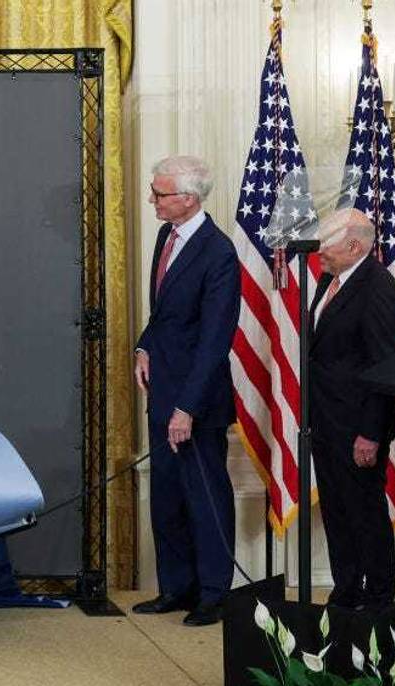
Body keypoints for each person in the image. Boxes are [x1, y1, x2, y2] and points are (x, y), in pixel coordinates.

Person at [132, 156, 240, 626]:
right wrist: (144, 346)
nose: (152, 200)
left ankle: (213, 594)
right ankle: (176, 588)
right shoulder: (167, 237)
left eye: (159, 193)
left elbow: (216, 338)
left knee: (204, 498)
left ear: (189, 198)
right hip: (162, 390)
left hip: (196, 404)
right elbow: (164, 315)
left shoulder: (218, 252)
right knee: (168, 497)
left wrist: (186, 408)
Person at [310, 208, 395, 614]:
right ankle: (346, 590)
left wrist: (370, 432)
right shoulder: (329, 280)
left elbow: (384, 370)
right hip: (325, 420)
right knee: (336, 509)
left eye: (326, 244)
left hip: (358, 427)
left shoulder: (379, 289)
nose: (318, 251)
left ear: (354, 246)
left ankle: (379, 599)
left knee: (364, 512)